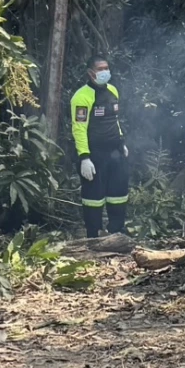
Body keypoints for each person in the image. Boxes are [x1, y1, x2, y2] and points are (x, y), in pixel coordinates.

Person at [70, 57, 130, 237]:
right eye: (100, 69)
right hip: (94, 155)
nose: (105, 72)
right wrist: (84, 158)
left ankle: (117, 230)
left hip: (115, 152)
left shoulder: (113, 91)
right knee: (93, 198)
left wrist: (121, 142)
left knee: (119, 193)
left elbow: (115, 121)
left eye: (107, 68)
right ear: (90, 73)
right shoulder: (81, 97)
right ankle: (93, 234)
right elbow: (79, 129)